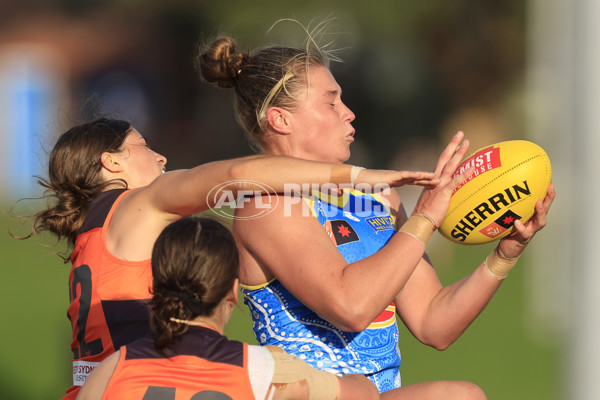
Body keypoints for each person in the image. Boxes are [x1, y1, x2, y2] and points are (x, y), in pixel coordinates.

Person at [197, 34, 555, 399]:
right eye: (331, 102)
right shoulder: (268, 205)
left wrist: (504, 255)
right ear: (281, 119)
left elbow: (434, 323)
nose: (348, 113)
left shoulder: (377, 198)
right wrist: (424, 219)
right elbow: (350, 307)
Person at [23, 117, 437, 399]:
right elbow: (233, 176)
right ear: (111, 162)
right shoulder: (140, 203)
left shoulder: (91, 235)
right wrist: (355, 176)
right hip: (151, 383)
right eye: (144, 147)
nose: (161, 158)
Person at [76, 216, 380, 400]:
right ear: (232, 291)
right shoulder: (267, 368)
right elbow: (363, 395)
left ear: (155, 285)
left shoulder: (113, 369)